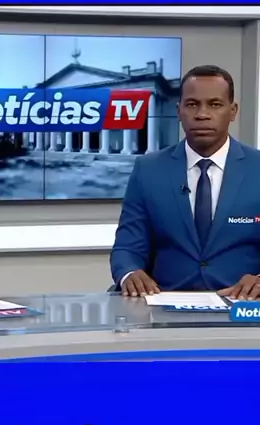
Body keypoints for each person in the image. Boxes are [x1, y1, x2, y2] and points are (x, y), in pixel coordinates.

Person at [110, 65, 260, 300]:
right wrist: (130, 273)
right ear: (178, 110)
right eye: (192, 104)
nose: (202, 114)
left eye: (215, 104)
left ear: (233, 111)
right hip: (165, 304)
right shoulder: (148, 170)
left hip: (242, 305)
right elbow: (127, 246)